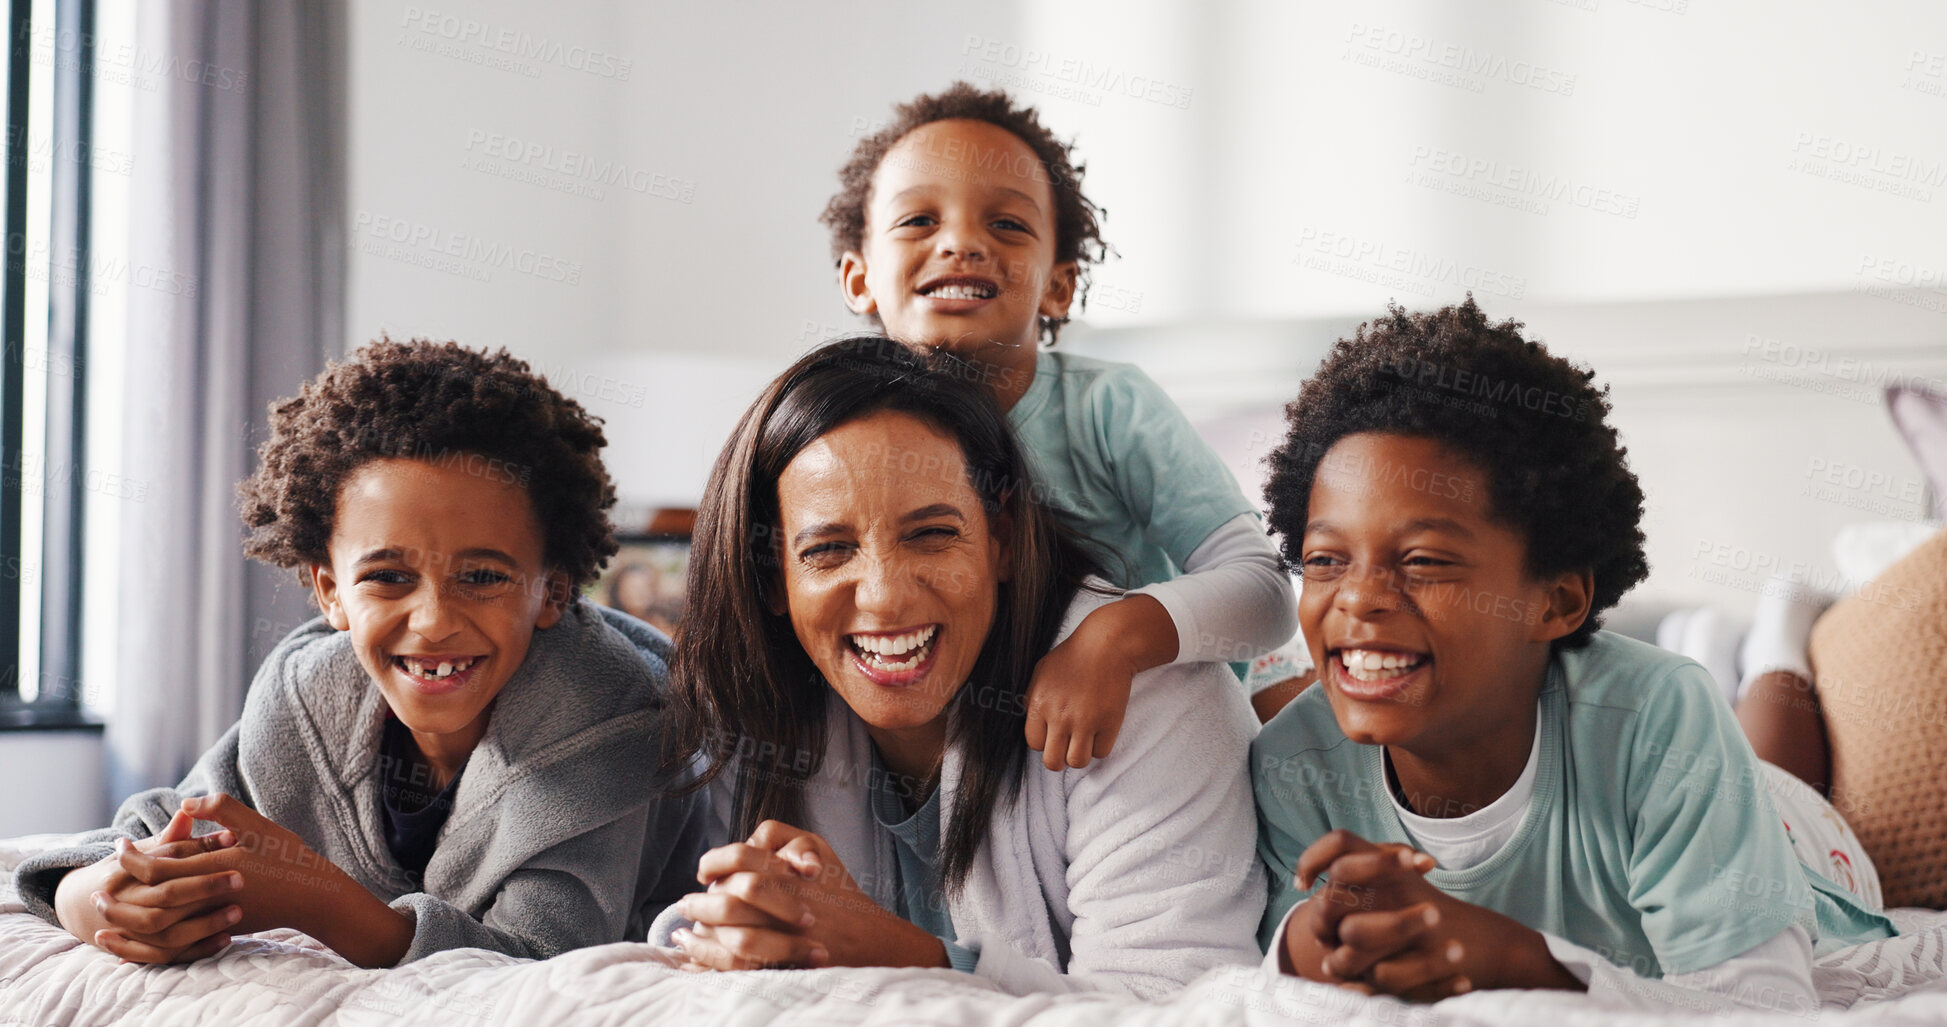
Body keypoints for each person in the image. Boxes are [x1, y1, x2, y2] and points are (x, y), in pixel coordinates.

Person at [1252, 301, 1896, 1012]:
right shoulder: (1292, 763)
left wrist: (1518, 959)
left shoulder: (1659, 713)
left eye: (1424, 560)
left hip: (1791, 839)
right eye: (1323, 559)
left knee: (1773, 762)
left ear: (1555, 600)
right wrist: (1309, 941)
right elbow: (1285, 972)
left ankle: (1781, 635)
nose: (1359, 598)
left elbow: (1762, 1002)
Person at [15, 340, 704, 967]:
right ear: (329, 592)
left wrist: (314, 896)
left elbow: (543, 958)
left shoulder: (610, 716)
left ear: (552, 590)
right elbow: (165, 824)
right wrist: (93, 892)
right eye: (387, 577)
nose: (433, 622)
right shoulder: (311, 689)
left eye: (483, 576)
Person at [656, 338, 1263, 997]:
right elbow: (678, 944)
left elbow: (1178, 1006)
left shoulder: (1153, 699)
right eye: (828, 549)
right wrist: (741, 927)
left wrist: (897, 954)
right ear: (772, 578)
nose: (885, 595)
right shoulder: (750, 704)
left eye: (930, 533)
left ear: (999, 540)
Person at [822, 82, 1302, 748]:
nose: (960, 241)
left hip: (1188, 698)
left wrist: (1112, 638)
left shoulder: (1110, 408)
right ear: (858, 277)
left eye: (1008, 224)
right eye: (919, 220)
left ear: (1058, 284)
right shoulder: (838, 443)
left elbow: (1262, 591)